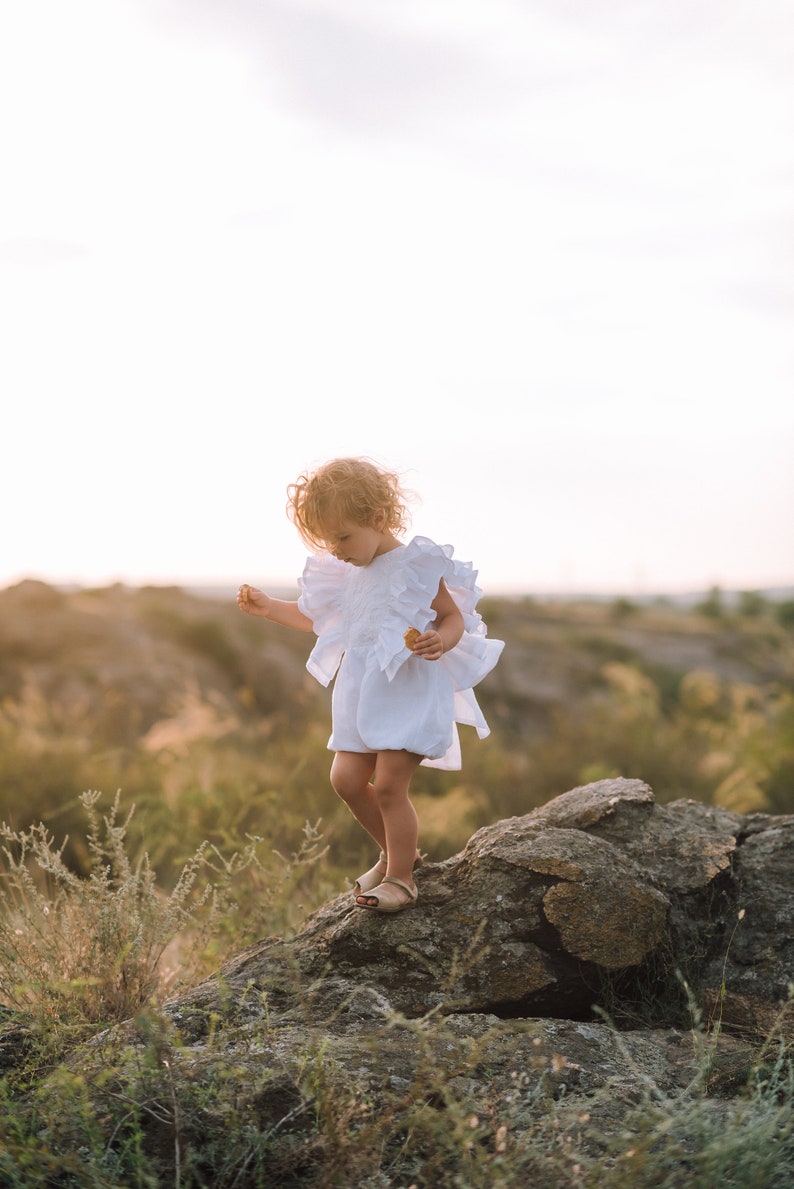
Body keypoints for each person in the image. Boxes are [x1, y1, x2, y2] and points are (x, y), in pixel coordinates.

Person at [237, 457, 504, 914]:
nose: (336, 549)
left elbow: (452, 615)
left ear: (378, 519)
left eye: (343, 536)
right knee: (344, 779)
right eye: (328, 540)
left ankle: (401, 878)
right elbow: (316, 620)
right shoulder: (346, 573)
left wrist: (443, 638)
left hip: (409, 690)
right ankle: (399, 855)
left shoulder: (413, 565)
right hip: (364, 694)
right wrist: (269, 608)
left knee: (387, 787)